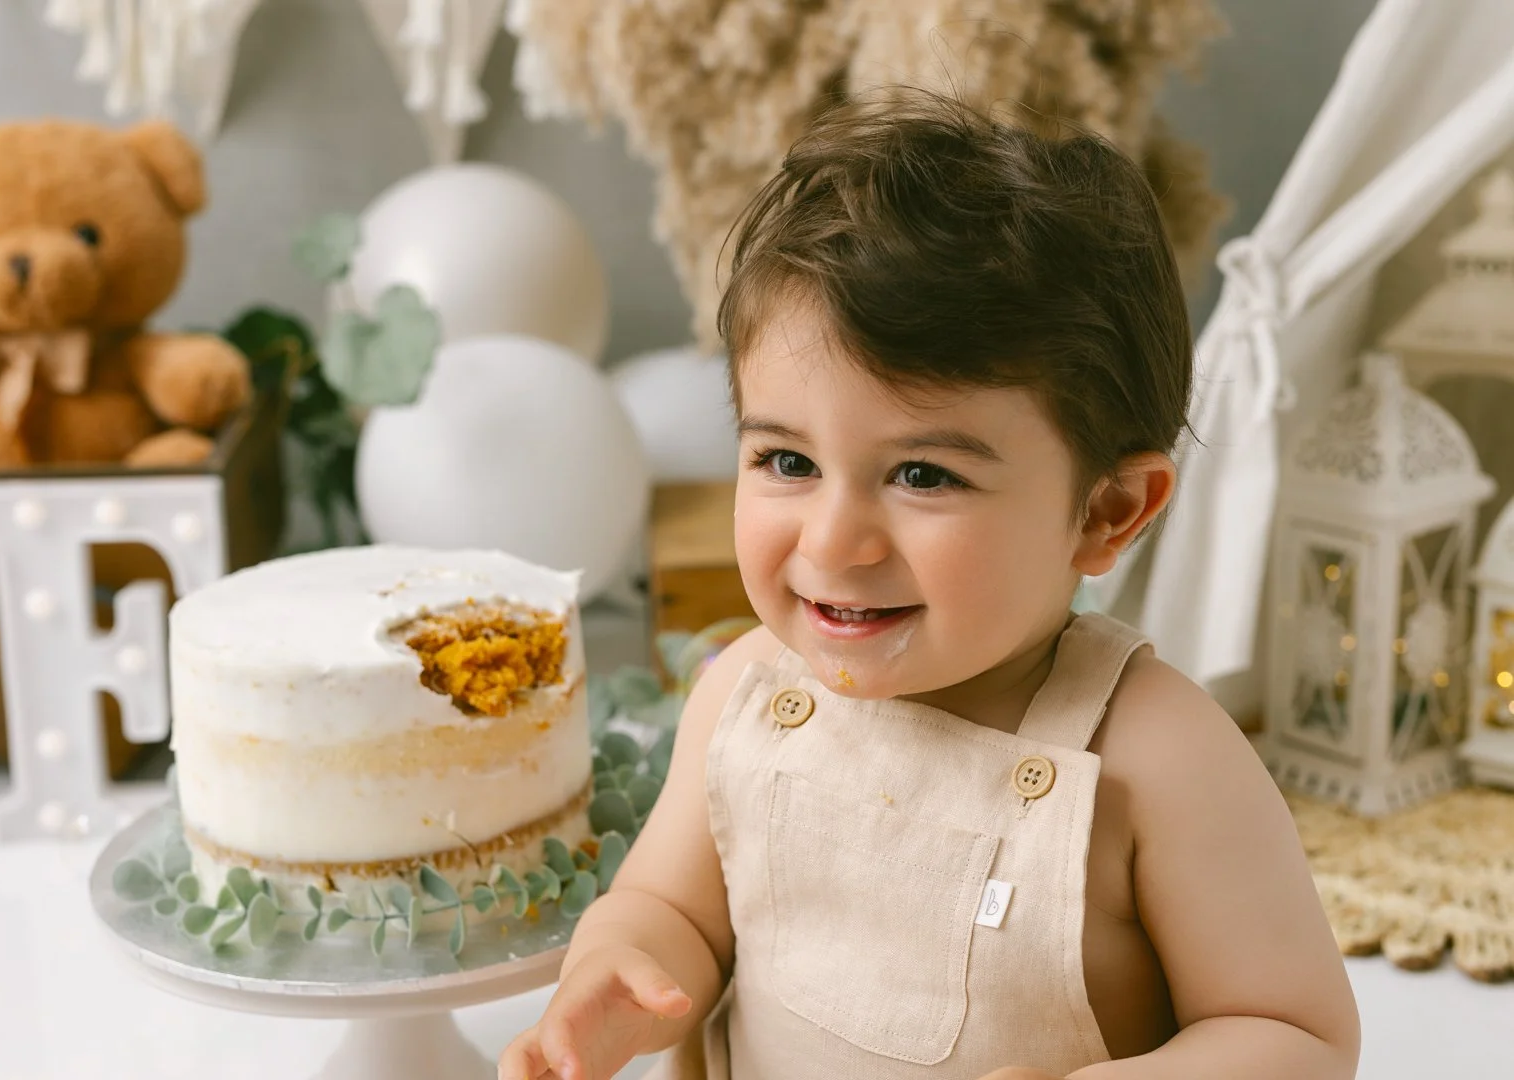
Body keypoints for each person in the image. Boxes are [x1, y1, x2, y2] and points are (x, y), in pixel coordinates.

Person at [499, 87, 1361, 1080]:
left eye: (922, 475)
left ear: (1106, 511)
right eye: (787, 461)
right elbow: (672, 910)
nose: (835, 539)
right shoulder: (745, 697)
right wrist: (619, 977)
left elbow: (1295, 1038)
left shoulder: (1160, 758)